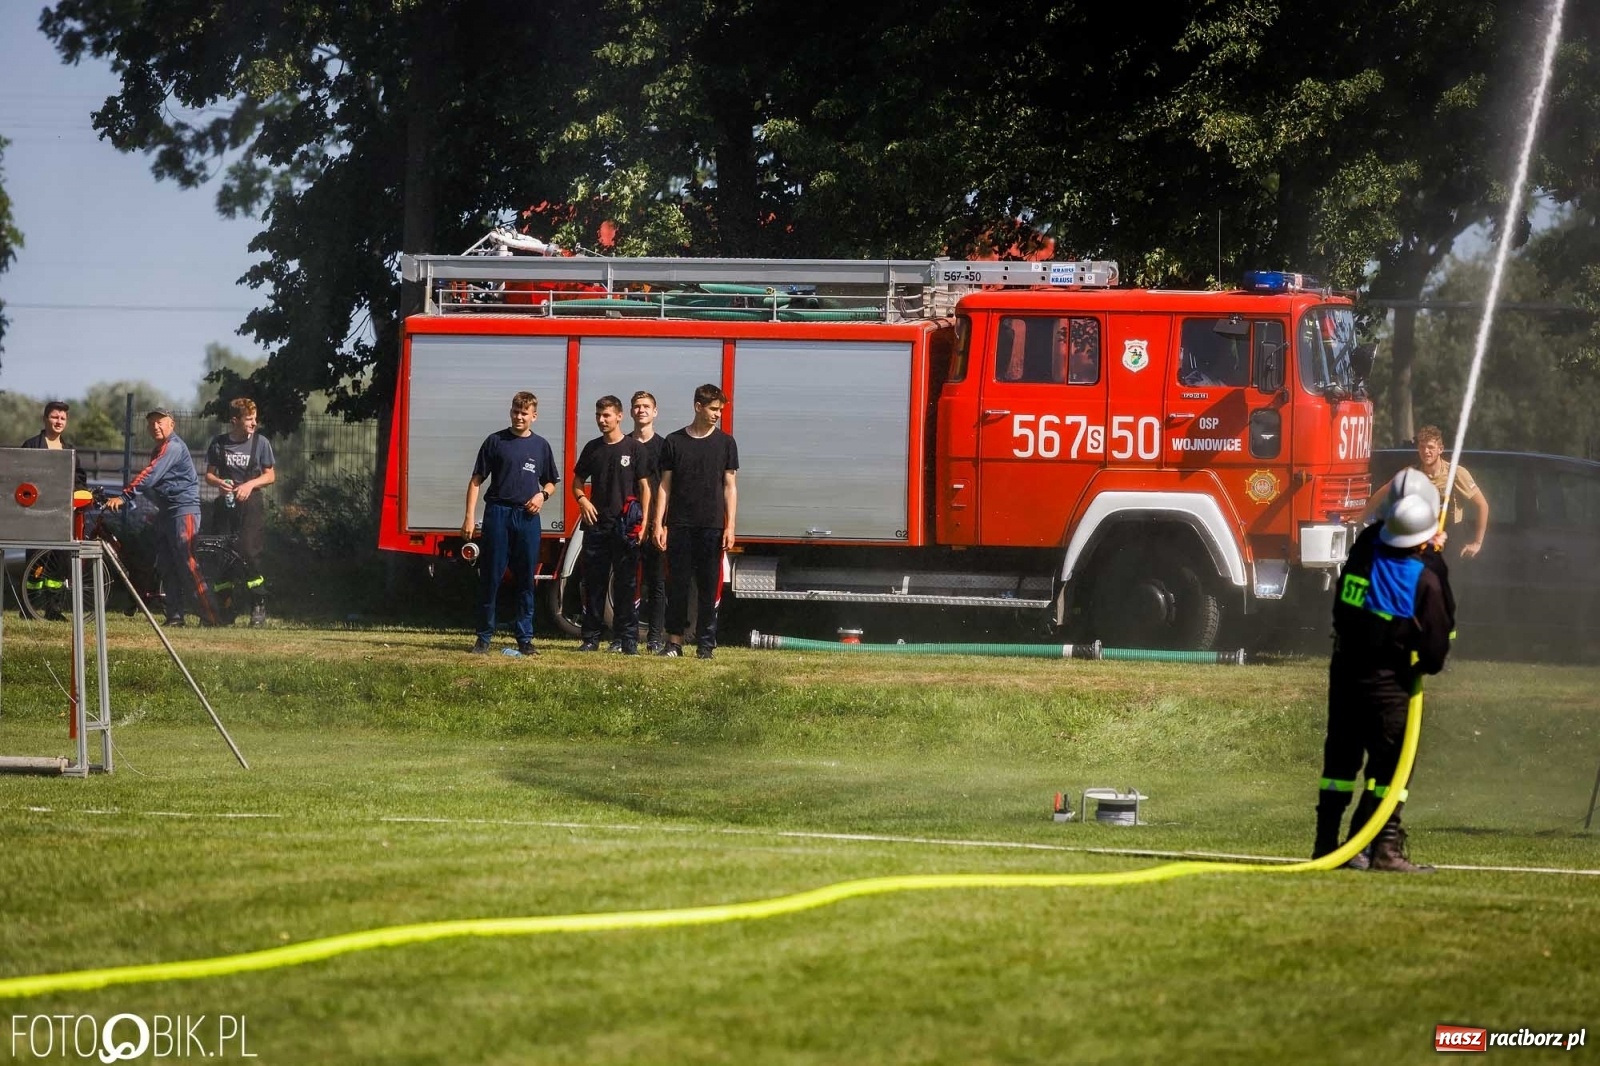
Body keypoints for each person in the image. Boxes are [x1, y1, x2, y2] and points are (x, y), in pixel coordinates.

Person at [1312, 470, 1455, 874]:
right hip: (1390, 683)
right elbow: (1435, 648)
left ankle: (1327, 846)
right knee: (1390, 767)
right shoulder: (1424, 577)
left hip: (1345, 672)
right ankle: (1383, 849)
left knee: (1340, 764)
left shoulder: (1364, 550)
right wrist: (1434, 557)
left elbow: (1343, 607)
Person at [462, 391, 557, 656]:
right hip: (498, 514)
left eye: (524, 413)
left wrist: (542, 495)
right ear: (510, 412)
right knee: (491, 577)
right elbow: (476, 481)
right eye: (516, 412)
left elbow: (551, 482)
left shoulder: (541, 446)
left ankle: (525, 639)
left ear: (534, 416)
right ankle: (483, 638)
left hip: (526, 517)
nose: (519, 417)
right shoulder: (495, 441)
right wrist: (469, 516)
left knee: (526, 579)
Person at [102, 409, 217, 626]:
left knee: (187, 563)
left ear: (172, 424)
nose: (155, 426)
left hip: (183, 511)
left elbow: (149, 475)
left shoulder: (173, 447)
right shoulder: (159, 449)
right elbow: (152, 484)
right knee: (166, 565)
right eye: (151, 423)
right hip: (167, 512)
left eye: (160, 422)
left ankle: (211, 617)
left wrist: (124, 497)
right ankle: (175, 616)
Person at [653, 383, 738, 659]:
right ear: (697, 407)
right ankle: (674, 643)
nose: (717, 414)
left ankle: (706, 645)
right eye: (713, 409)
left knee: (708, 586)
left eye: (720, 410)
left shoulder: (726, 443)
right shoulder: (674, 441)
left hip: (712, 526)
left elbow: (730, 486)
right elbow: (664, 486)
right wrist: (659, 523)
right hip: (680, 524)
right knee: (677, 585)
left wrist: (730, 526)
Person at [572, 396, 653, 654]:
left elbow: (645, 488)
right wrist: (583, 501)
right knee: (594, 584)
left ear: (619, 416)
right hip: (597, 526)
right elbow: (577, 481)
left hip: (625, 528)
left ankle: (627, 639)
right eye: (598, 415)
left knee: (626, 585)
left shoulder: (634, 449)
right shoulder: (592, 448)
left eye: (606, 415)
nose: (601, 420)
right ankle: (590, 638)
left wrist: (644, 522)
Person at [1360, 425, 1489, 558]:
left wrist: (1477, 543)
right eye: (1422, 447)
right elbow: (1383, 492)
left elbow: (1482, 505)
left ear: (1440, 449)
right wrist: (1360, 519)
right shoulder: (1411, 473)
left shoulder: (1456, 473)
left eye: (1431, 447)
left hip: (1451, 535)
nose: (1426, 451)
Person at [204, 398, 276, 627]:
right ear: (234, 420)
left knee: (247, 551)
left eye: (255, 419)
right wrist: (219, 483)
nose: (254, 423)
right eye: (249, 419)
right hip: (225, 504)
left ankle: (258, 603)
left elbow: (270, 475)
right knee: (222, 555)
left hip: (251, 505)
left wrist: (250, 485)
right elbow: (209, 475)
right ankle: (225, 607)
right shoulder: (218, 443)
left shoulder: (261, 443)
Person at [630, 390, 669, 653]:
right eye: (637, 406)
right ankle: (626, 636)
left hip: (655, 523)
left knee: (656, 582)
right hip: (628, 524)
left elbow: (669, 487)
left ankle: (655, 637)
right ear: (630, 412)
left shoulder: (664, 447)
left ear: (655, 412)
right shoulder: (623, 444)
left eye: (646, 406)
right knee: (627, 583)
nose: (641, 410)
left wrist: (662, 523)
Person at [20, 400, 89, 488]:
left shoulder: (70, 450)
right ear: (45, 419)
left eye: (63, 419)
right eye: (55, 417)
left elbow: (79, 481)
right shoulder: (31, 445)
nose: (59, 422)